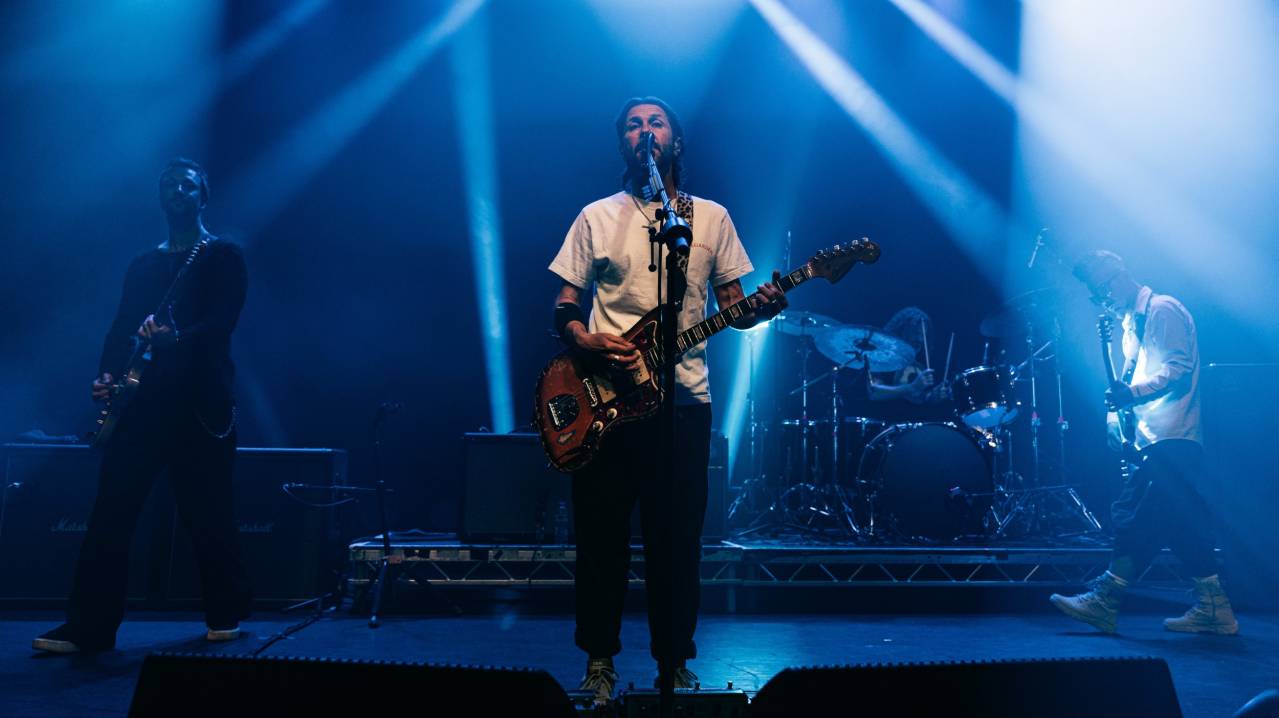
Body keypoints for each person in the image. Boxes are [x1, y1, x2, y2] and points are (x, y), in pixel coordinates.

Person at [548, 96, 787, 705]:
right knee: (600, 537)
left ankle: (674, 664)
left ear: (674, 141)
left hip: (682, 405)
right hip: (607, 402)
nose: (644, 131)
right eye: (632, 123)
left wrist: (759, 309)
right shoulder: (595, 216)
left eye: (656, 122)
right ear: (622, 143)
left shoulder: (708, 218)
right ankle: (598, 662)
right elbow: (564, 305)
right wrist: (587, 342)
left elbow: (732, 306)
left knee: (677, 541)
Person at [33, 158, 253, 653]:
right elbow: (119, 327)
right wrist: (106, 375)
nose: (177, 191)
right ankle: (90, 626)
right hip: (142, 405)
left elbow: (221, 326)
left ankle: (225, 611)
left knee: (207, 513)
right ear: (159, 198)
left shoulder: (222, 256)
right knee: (111, 513)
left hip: (199, 406)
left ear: (204, 195)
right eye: (169, 185)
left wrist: (175, 340)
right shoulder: (144, 265)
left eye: (188, 184)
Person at [1050, 250, 1237, 635]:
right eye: (1095, 296)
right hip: (1155, 438)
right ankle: (1215, 608)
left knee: (1134, 515)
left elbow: (1178, 369)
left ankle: (1106, 599)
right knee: (1180, 525)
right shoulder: (1130, 324)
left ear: (1118, 277)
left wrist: (1130, 394)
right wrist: (1120, 423)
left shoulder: (1163, 310)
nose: (1102, 300)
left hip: (1174, 437)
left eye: (1102, 291)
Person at [866, 306, 943, 404]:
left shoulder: (919, 365)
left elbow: (918, 399)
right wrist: (912, 387)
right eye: (915, 333)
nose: (920, 339)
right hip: (886, 417)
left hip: (915, 418)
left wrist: (933, 395)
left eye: (922, 335)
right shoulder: (880, 358)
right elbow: (874, 392)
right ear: (901, 331)